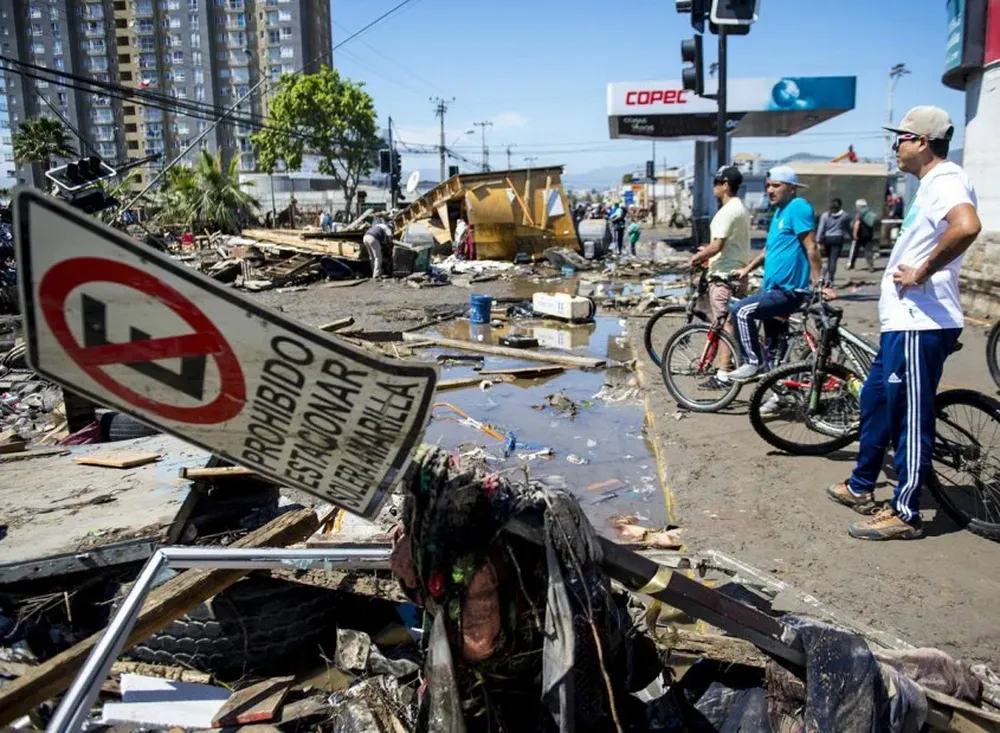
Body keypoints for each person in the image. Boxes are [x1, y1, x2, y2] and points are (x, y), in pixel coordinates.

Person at [827, 106, 982, 540]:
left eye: (902, 138)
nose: (896, 145)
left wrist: (922, 271)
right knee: (876, 400)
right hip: (903, 322)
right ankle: (861, 486)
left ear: (923, 142)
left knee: (910, 416)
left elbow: (967, 226)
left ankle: (905, 513)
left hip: (921, 322)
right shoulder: (928, 185)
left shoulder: (946, 180)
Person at [727, 166, 823, 381]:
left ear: (791, 189)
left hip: (787, 291)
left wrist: (820, 284)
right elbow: (768, 250)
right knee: (775, 352)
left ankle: (753, 362)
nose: (770, 190)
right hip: (773, 289)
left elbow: (812, 247)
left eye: (776, 186)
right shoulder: (779, 212)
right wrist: (747, 269)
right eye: (768, 185)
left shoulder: (797, 207)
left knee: (741, 311)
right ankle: (778, 394)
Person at [689, 165, 751, 387]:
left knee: (725, 325)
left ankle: (723, 373)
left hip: (724, 276)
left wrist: (697, 257)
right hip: (737, 273)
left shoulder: (726, 211)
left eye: (716, 183)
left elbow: (717, 245)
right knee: (730, 321)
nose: (714, 187)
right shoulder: (740, 209)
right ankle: (734, 364)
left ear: (725, 185)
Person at [816, 198, 851, 284]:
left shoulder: (825, 215)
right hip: (838, 238)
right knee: (833, 259)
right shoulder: (845, 215)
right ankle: (831, 278)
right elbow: (847, 227)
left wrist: (818, 239)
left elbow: (821, 228)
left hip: (827, 238)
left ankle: (822, 277)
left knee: (827, 258)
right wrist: (850, 236)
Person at [852, 198, 878, 272]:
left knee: (855, 250)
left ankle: (851, 264)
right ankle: (871, 266)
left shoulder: (859, 212)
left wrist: (854, 234)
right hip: (869, 234)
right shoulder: (870, 211)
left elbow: (857, 223)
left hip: (860, 234)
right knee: (868, 251)